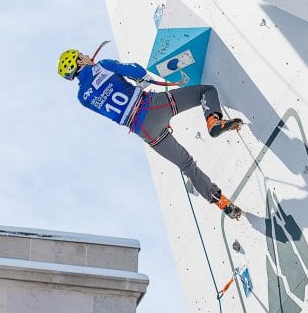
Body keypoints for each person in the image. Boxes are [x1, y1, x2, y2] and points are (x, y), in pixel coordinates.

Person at [57, 49, 244, 219]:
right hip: (153, 105)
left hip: (144, 130)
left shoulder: (82, 97)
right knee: (206, 91)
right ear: (79, 62)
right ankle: (213, 121)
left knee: (187, 165)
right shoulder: (102, 65)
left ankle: (222, 203)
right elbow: (137, 72)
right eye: (83, 55)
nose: (88, 56)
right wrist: (138, 81)